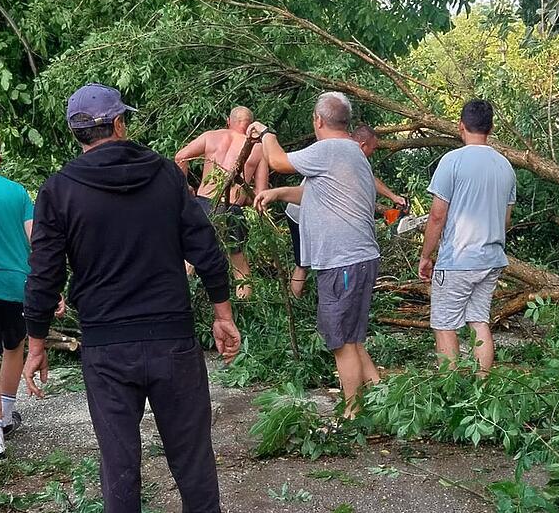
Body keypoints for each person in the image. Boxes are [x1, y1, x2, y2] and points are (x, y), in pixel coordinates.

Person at [22, 83, 241, 513]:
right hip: (172, 338)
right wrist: (222, 312)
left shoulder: (59, 190)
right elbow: (204, 245)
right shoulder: (165, 175)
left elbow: (43, 275)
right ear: (119, 125)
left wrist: (35, 345)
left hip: (105, 347)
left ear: (78, 134)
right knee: (190, 447)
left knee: (118, 456)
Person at [250, 92, 381, 418]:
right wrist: (278, 192)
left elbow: (278, 161)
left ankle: (352, 413)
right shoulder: (350, 151)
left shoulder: (330, 149)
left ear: (318, 120)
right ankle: (380, 395)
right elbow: (313, 191)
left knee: (340, 341)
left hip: (343, 260)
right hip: (355, 258)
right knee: (350, 336)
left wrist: (266, 134)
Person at [0, 127, 62, 457]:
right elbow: (37, 241)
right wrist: (50, 288)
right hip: (19, 285)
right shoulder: (17, 192)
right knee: (15, 346)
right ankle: (5, 414)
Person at [418, 100, 516, 373]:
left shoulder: (452, 161)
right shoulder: (505, 166)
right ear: (491, 128)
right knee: (478, 321)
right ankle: (482, 388)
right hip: (492, 258)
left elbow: (437, 215)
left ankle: (450, 388)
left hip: (458, 259)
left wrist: (426, 256)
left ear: (460, 125)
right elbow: (506, 219)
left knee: (445, 325)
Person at [285, 124, 406, 297]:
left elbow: (370, 178)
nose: (373, 151)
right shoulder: (342, 152)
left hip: (316, 213)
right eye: (373, 148)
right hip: (300, 213)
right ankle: (295, 304)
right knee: (303, 263)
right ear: (363, 144)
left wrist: (393, 197)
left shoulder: (351, 156)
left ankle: (317, 298)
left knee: (317, 260)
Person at [174, 106, 270, 300]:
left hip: (202, 205)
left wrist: (186, 191)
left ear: (228, 121)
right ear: (251, 126)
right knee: (240, 267)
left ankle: (182, 303)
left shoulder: (211, 136)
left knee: (189, 260)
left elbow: (180, 157)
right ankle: (244, 312)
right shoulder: (259, 148)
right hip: (231, 209)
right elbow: (261, 195)